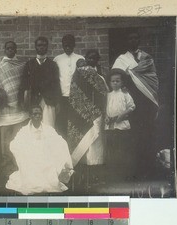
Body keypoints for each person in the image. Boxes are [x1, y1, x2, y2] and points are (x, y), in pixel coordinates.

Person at [112, 29, 159, 177]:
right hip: (131, 101)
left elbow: (153, 78)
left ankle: (149, 168)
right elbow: (116, 76)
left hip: (146, 101)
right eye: (130, 38)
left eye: (135, 38)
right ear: (127, 42)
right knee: (133, 135)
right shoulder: (121, 59)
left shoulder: (146, 58)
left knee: (148, 133)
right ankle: (134, 170)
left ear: (139, 40)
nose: (133, 41)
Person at [5, 105, 74, 195]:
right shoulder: (24, 131)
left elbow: (59, 141)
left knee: (49, 169)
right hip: (30, 159)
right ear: (30, 116)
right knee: (31, 178)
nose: (38, 116)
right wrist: (28, 149)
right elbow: (14, 144)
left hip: (46, 157)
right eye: (35, 114)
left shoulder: (48, 129)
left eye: (40, 114)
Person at [0, 41, 29, 169]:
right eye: (8, 48)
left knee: (19, 136)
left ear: (16, 50)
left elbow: (27, 82)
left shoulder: (21, 65)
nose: (10, 50)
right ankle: (7, 161)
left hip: (20, 109)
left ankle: (18, 161)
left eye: (13, 48)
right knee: (6, 137)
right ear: (4, 50)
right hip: (6, 110)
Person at [67, 51, 109, 167]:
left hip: (97, 111)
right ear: (85, 59)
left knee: (96, 139)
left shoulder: (101, 74)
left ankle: (96, 166)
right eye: (89, 58)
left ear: (98, 60)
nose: (92, 60)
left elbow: (105, 91)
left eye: (94, 58)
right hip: (83, 111)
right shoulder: (78, 73)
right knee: (84, 137)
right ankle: (84, 166)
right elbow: (75, 93)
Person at [19, 36, 61, 128]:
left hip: (49, 101)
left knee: (49, 126)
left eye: (44, 45)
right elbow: (24, 84)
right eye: (39, 45)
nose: (41, 47)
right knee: (34, 127)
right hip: (34, 100)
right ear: (35, 47)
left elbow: (56, 84)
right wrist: (22, 100)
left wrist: (57, 102)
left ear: (47, 47)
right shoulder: (30, 64)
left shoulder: (52, 65)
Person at [104, 69, 135, 175]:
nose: (115, 83)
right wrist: (106, 116)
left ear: (122, 82)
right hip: (110, 125)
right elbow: (106, 108)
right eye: (113, 81)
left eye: (118, 81)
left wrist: (123, 114)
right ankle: (113, 172)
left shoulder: (125, 94)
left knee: (122, 148)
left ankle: (124, 172)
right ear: (110, 83)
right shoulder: (108, 95)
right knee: (111, 148)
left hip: (121, 125)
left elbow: (132, 106)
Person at [53, 34, 84, 139]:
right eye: (65, 45)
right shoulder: (57, 59)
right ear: (62, 45)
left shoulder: (80, 58)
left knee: (76, 122)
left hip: (77, 97)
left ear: (74, 45)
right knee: (62, 122)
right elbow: (55, 79)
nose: (68, 47)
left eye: (70, 45)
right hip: (62, 97)